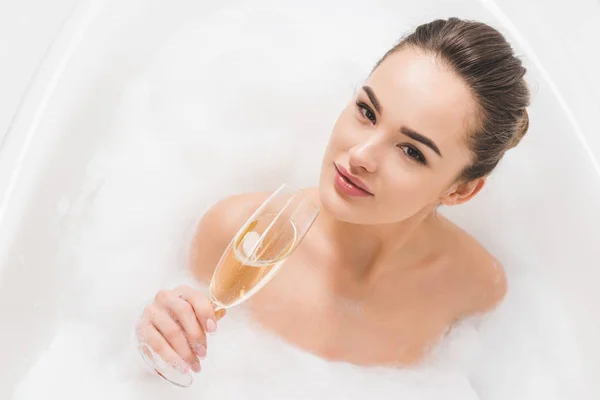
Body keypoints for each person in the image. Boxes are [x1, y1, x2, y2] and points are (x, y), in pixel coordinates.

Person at [136, 17, 530, 374]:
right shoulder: (239, 239)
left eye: (411, 151)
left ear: (461, 190)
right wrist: (155, 344)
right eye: (367, 112)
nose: (360, 155)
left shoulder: (476, 287)